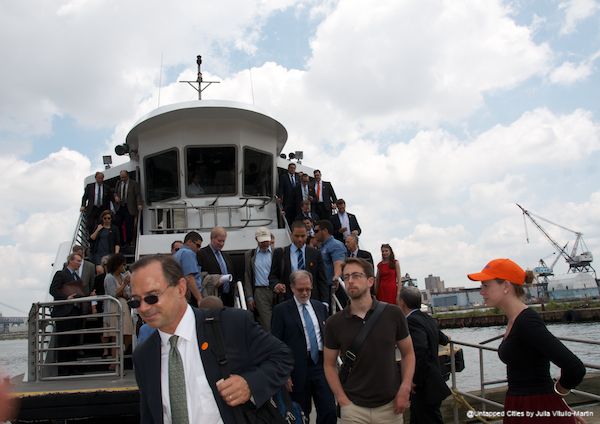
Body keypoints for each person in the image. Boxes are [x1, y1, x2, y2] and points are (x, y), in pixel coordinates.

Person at [130, 254, 293, 424]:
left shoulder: (230, 324)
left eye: (152, 297)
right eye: (135, 302)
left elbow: (282, 356)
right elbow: (149, 415)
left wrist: (250, 384)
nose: (144, 307)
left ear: (180, 288)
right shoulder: (144, 355)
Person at [467, 258, 586, 423]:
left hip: (535, 410)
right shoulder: (515, 320)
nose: (481, 292)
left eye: (486, 285)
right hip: (523, 405)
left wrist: (557, 395)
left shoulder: (527, 322)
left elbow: (575, 368)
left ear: (506, 286)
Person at [323, 258, 415, 424]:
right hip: (353, 409)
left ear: (370, 281)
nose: (350, 281)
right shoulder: (334, 323)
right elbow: (329, 364)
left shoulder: (393, 314)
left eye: (356, 275)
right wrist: (342, 399)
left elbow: (408, 353)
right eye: (346, 277)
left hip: (390, 407)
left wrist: (405, 387)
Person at [271, 270, 337, 423]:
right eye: (301, 289)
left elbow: (327, 336)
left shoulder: (320, 307)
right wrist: (284, 374)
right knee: (301, 413)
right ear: (292, 288)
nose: (305, 293)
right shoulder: (281, 311)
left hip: (321, 366)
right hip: (296, 369)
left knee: (329, 410)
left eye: (308, 289)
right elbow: (276, 344)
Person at [398, 287, 450, 424]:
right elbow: (443, 339)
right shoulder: (427, 318)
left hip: (424, 384)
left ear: (402, 302)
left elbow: (420, 351)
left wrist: (413, 379)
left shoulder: (410, 322)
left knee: (427, 417)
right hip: (434, 378)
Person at [269, 220, 328, 306]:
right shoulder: (280, 253)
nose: (300, 239)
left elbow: (322, 279)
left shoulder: (315, 254)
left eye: (302, 236)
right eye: (296, 236)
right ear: (291, 235)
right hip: (288, 300)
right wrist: (276, 285)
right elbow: (272, 276)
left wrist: (325, 302)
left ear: (307, 235)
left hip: (311, 300)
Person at [49, 252, 88, 375]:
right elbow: (53, 290)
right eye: (78, 261)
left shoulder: (77, 278)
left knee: (73, 341)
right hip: (64, 313)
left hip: (75, 312)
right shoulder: (61, 274)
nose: (80, 263)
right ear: (70, 261)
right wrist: (66, 298)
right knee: (64, 341)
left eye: (80, 261)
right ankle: (63, 369)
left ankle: (73, 367)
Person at [103, 253, 133, 368]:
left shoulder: (121, 276)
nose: (124, 267)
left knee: (128, 334)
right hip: (114, 308)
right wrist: (124, 284)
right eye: (122, 265)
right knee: (116, 335)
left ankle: (118, 358)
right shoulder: (109, 277)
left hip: (123, 306)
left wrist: (126, 285)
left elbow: (128, 294)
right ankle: (115, 362)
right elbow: (113, 293)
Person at [243, 227, 274, 331]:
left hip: (277, 290)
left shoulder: (277, 253)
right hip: (260, 292)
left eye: (267, 241)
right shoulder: (249, 255)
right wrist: (250, 297)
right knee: (267, 323)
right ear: (256, 240)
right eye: (262, 241)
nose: (265, 243)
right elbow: (247, 276)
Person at [197, 226, 235, 306]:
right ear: (212, 238)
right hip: (212, 296)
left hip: (228, 297)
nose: (221, 244)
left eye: (223, 241)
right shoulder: (202, 254)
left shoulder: (226, 256)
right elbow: (200, 276)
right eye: (219, 241)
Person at [314, 219, 347, 308]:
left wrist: (336, 277)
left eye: (316, 231)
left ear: (324, 231)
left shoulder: (336, 245)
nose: (314, 233)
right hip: (324, 287)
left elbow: (338, 263)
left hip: (333, 287)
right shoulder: (322, 247)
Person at [173, 231, 204, 307]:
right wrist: (199, 298)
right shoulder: (188, 253)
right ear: (189, 242)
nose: (198, 249)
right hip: (190, 295)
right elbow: (189, 278)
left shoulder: (177, 254)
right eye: (197, 245)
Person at [114, 170, 143, 247]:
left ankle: (128, 242)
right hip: (120, 206)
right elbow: (115, 192)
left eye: (124, 177)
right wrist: (116, 197)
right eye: (121, 177)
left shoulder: (134, 183)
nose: (122, 178)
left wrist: (139, 204)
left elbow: (138, 195)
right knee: (117, 223)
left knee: (129, 225)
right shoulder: (118, 183)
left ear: (127, 176)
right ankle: (120, 241)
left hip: (129, 207)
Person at [277, 163, 298, 227]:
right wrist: (280, 197)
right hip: (287, 200)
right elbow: (281, 188)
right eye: (291, 168)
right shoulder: (283, 176)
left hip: (296, 202)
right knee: (287, 217)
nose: (292, 169)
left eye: (294, 168)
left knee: (295, 218)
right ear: (288, 168)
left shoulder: (298, 177)